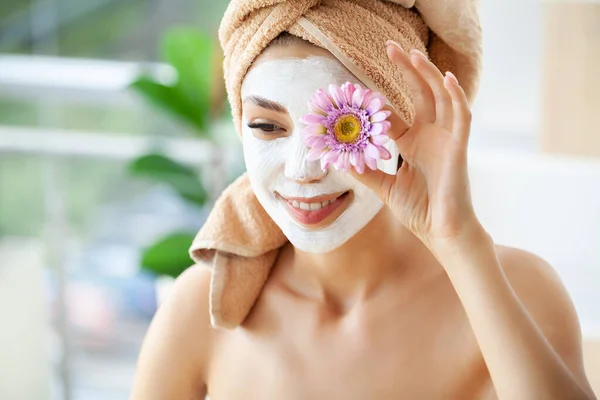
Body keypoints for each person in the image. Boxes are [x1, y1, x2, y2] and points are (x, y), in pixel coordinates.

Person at [130, 1, 596, 399]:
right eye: (267, 126)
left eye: (340, 127)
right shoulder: (199, 310)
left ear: (408, 122)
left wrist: (459, 241)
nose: (301, 170)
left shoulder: (521, 291)